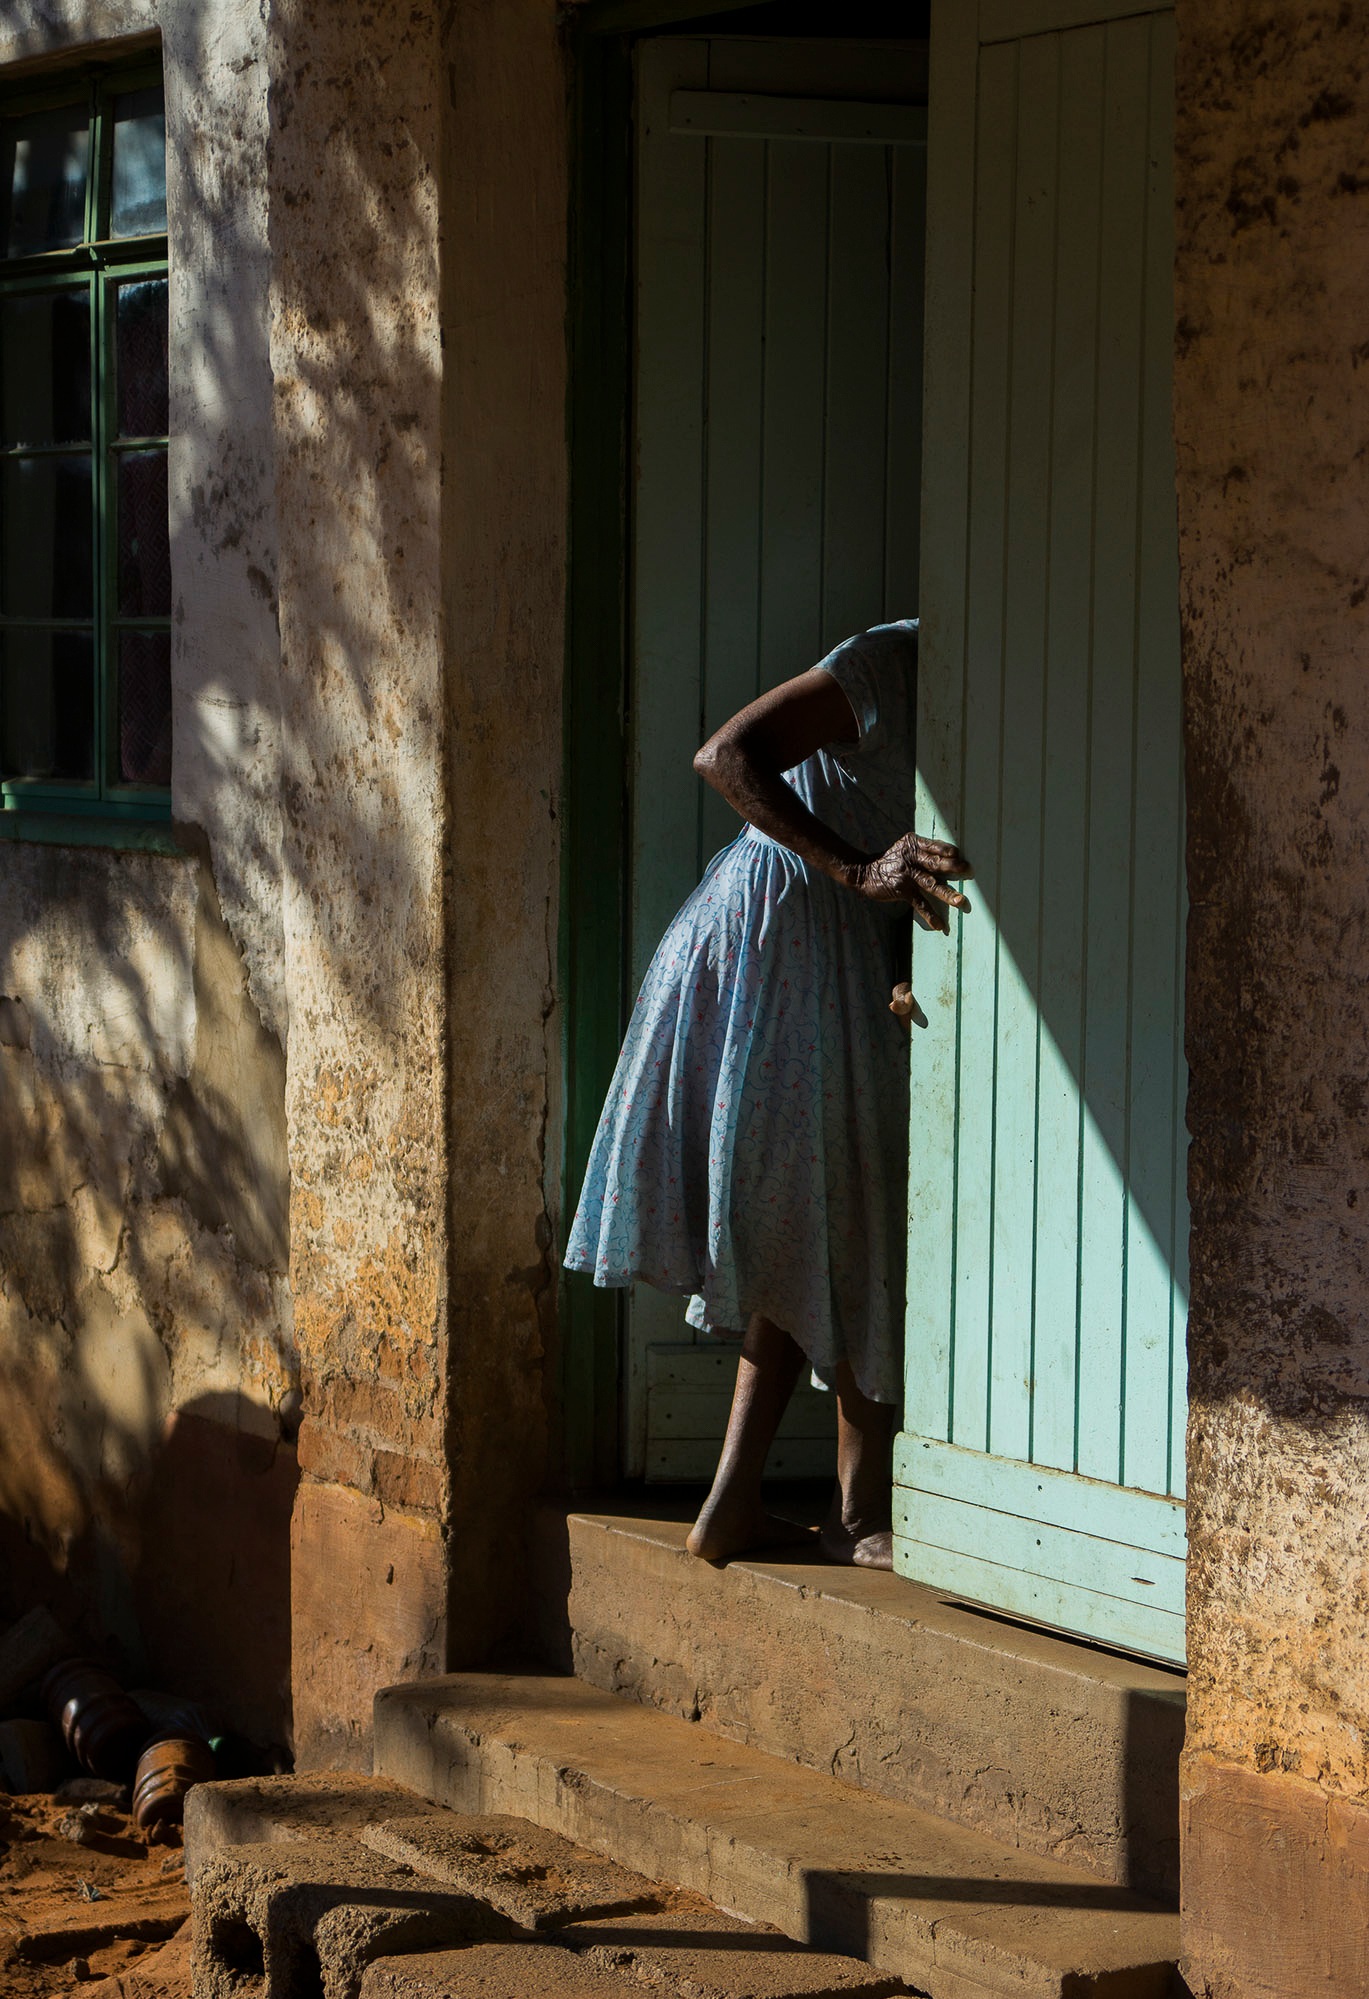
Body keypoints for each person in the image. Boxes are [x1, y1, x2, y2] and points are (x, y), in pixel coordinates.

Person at [564, 620, 971, 1568]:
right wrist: (857, 868)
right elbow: (725, 756)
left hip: (805, 934)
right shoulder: (888, 660)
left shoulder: (997, 698)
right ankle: (851, 1510)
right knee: (841, 1204)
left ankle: (747, 1499)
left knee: (812, 1210)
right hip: (781, 930)